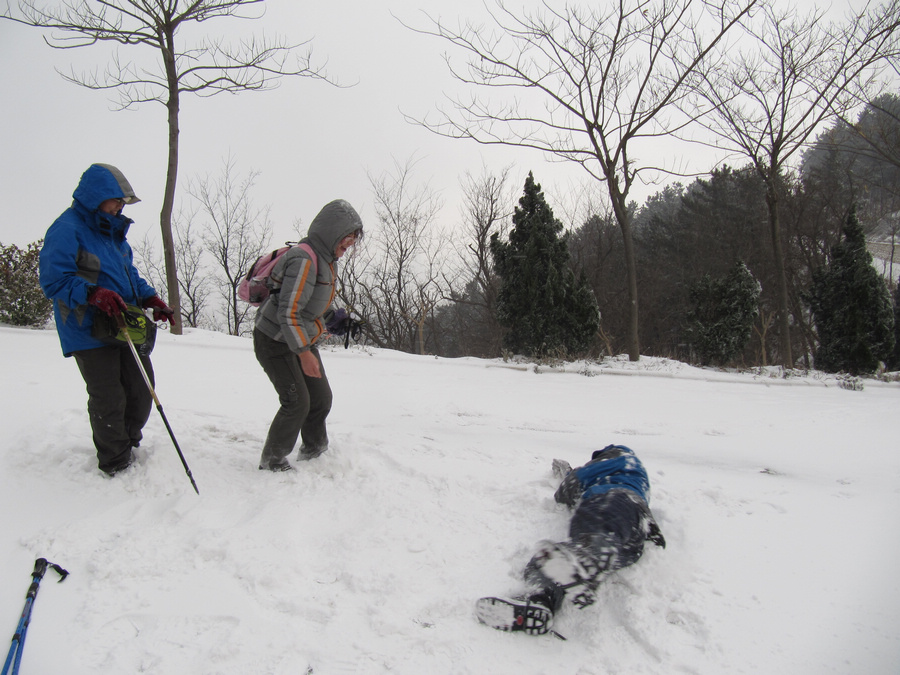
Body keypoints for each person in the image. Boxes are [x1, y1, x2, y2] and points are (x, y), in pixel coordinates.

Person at [39, 163, 174, 476]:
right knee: (109, 396)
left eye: (122, 203)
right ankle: (115, 461)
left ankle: (128, 442)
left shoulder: (112, 233)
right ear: (96, 196)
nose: (119, 207)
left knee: (141, 388)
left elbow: (129, 277)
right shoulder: (67, 228)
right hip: (85, 325)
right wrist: (93, 293)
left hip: (122, 324)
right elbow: (53, 279)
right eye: (116, 201)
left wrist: (151, 299)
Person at [475, 444, 666, 636]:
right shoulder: (635, 476)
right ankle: (540, 601)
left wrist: (569, 481)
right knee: (549, 560)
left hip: (613, 505)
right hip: (629, 542)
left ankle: (587, 560)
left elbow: (571, 485)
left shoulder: (620, 460)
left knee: (593, 528)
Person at [253, 199, 363, 471]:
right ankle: (273, 461)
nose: (350, 243)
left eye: (354, 239)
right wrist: (303, 353)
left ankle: (315, 450)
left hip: (300, 338)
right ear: (332, 231)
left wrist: (336, 321)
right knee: (297, 402)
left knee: (321, 398)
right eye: (347, 237)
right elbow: (288, 312)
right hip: (275, 341)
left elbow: (308, 306)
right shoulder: (303, 260)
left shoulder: (327, 261)